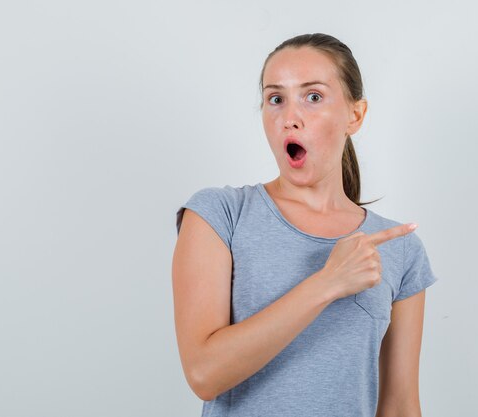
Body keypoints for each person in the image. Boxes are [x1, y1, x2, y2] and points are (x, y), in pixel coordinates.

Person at [173, 33, 439, 417]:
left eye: (313, 97)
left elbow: (399, 405)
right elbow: (204, 373)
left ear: (355, 115)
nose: (289, 117)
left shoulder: (399, 248)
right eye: (275, 99)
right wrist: (328, 283)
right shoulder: (220, 214)